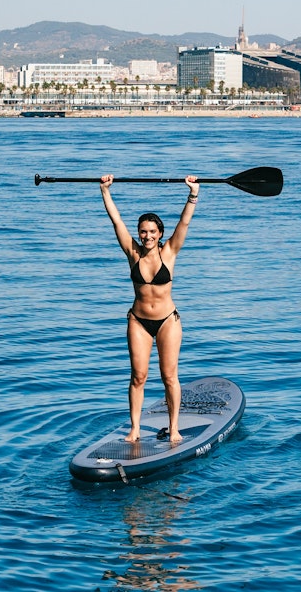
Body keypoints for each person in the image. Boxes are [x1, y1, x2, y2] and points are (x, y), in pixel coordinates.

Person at [100, 173, 199, 443]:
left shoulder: (170, 252)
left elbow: (184, 222)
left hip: (168, 320)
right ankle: (134, 430)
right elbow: (116, 221)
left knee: (169, 376)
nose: (147, 236)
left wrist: (193, 193)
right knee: (138, 377)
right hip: (139, 321)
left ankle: (174, 428)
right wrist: (105, 191)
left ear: (160, 234)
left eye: (152, 232)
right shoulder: (132, 253)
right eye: (143, 231)